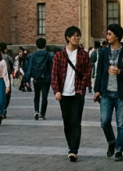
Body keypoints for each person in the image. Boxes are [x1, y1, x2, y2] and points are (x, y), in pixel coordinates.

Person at [94, 23, 123, 161]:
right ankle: (112, 141)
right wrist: (96, 90)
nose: (107, 36)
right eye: (107, 34)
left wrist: (120, 71)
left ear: (117, 36)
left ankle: (119, 149)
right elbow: (99, 72)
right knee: (104, 122)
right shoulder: (102, 52)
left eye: (109, 34)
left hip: (121, 94)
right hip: (106, 93)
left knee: (121, 123)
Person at [52, 26, 91, 162]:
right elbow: (54, 75)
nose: (76, 38)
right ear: (68, 38)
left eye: (78, 35)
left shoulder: (83, 54)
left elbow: (87, 73)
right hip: (64, 94)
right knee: (67, 122)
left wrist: (81, 89)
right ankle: (71, 146)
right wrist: (56, 90)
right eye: (74, 36)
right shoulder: (59, 56)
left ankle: (73, 150)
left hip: (77, 93)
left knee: (76, 121)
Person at [28, 37, 53, 120]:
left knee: (36, 95)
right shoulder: (48, 55)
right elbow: (51, 67)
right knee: (44, 97)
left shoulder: (33, 55)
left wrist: (27, 79)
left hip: (36, 78)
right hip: (46, 78)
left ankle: (36, 111)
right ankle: (42, 113)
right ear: (45, 45)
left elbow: (30, 67)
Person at [0, 42, 14, 117]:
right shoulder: (7, 57)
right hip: (6, 78)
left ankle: (1, 109)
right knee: (7, 95)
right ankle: (4, 109)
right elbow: (11, 67)